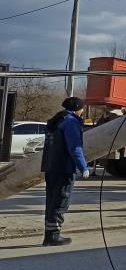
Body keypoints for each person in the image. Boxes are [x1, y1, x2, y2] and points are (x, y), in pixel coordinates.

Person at [39, 97, 89, 246]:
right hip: (64, 168)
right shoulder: (71, 122)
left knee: (51, 201)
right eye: (82, 108)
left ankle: (49, 235)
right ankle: (53, 236)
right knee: (61, 202)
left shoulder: (57, 120)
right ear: (77, 108)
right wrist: (83, 167)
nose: (82, 111)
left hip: (50, 167)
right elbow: (75, 148)